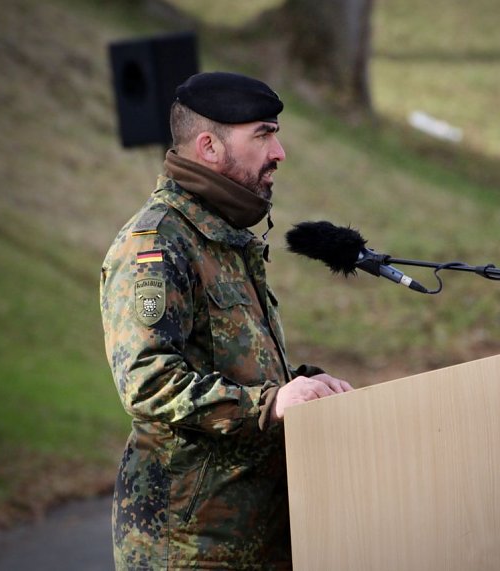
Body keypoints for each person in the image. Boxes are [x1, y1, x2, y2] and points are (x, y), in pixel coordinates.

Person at [100, 71, 353, 570]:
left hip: (253, 537)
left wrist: (300, 388)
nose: (279, 152)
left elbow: (234, 365)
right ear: (209, 146)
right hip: (192, 546)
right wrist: (270, 403)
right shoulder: (157, 243)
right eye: (263, 133)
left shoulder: (226, 239)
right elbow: (146, 381)